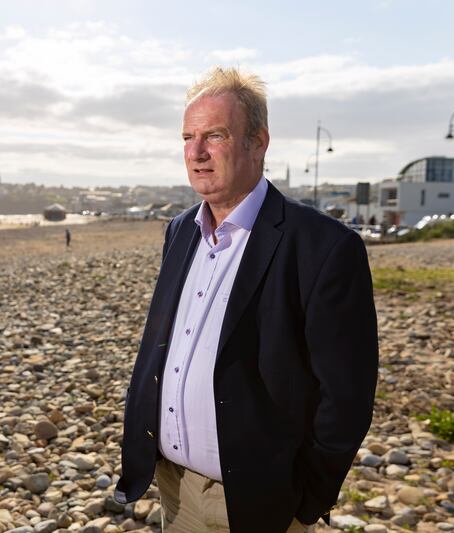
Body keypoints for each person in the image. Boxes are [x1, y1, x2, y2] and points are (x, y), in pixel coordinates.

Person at [115, 67, 378, 533]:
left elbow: (348, 394)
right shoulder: (180, 231)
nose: (196, 153)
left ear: (258, 142)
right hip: (173, 490)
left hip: (258, 504)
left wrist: (305, 499)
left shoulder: (323, 246)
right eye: (188, 137)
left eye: (214, 135)